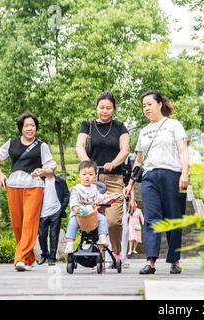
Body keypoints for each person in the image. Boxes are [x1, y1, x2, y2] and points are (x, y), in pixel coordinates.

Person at [124, 90, 189, 275]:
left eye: (149, 104)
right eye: (143, 105)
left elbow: (183, 152)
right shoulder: (143, 131)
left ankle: (174, 260)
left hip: (172, 175)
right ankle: (150, 261)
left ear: (159, 104)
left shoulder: (173, 125)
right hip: (149, 177)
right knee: (151, 218)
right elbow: (138, 161)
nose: (146, 108)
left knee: (173, 218)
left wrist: (185, 173)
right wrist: (130, 184)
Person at [0, 112, 57, 271]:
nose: (30, 128)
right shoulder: (11, 143)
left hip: (34, 187)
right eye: (26, 125)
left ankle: (19, 259)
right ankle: (30, 260)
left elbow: (51, 167)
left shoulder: (42, 146)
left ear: (36, 127)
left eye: (33, 125)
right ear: (21, 127)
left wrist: (43, 171)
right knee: (18, 225)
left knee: (29, 222)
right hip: (13, 187)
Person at [75, 92, 130, 263]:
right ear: (96, 107)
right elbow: (79, 146)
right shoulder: (87, 126)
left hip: (114, 179)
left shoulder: (120, 127)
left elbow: (125, 150)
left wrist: (113, 163)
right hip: (92, 180)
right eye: (101, 107)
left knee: (113, 221)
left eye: (108, 108)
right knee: (92, 219)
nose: (104, 111)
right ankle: (99, 258)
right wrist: (87, 163)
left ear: (113, 109)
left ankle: (118, 252)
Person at [65, 160, 121, 254]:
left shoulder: (94, 188)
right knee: (72, 222)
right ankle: (69, 243)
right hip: (79, 214)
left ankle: (102, 237)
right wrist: (76, 208)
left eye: (90, 174)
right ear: (79, 176)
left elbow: (100, 198)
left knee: (102, 219)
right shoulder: (77, 189)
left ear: (95, 177)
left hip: (92, 215)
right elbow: (73, 201)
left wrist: (111, 196)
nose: (87, 177)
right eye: (84, 174)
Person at [37, 170, 70, 266]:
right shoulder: (39, 180)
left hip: (56, 211)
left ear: (53, 169)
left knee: (54, 235)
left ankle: (52, 258)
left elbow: (66, 195)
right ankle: (44, 254)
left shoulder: (60, 181)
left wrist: (61, 208)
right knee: (42, 234)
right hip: (43, 211)